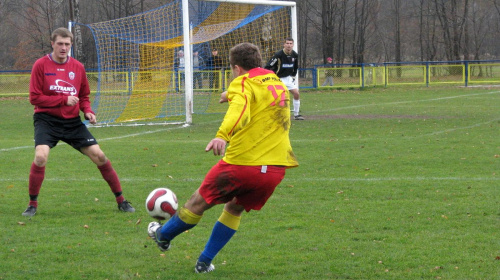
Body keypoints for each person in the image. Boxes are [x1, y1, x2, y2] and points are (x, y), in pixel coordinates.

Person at [147, 42, 298, 273]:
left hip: (242, 164)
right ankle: (204, 262)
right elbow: (258, 97)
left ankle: (162, 235)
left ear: (237, 68)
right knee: (234, 209)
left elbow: (240, 110)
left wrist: (222, 136)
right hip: (275, 168)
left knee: (197, 203)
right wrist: (229, 94)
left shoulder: (243, 82)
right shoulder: (274, 80)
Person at [22, 27, 135, 217]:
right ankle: (32, 204)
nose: (63, 48)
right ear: (52, 44)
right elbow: (34, 98)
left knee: (99, 155)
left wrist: (88, 111)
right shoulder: (40, 65)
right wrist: (62, 100)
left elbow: (84, 96)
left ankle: (121, 200)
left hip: (72, 122)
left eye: (67, 44)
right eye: (60, 44)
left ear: (71, 45)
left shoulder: (78, 67)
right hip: (46, 120)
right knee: (41, 157)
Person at [265, 37, 304, 120]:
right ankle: (274, 114)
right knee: (279, 97)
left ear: (293, 45)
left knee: (296, 94)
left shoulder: (295, 55)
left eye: (290, 43)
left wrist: (293, 76)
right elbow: (268, 66)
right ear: (284, 44)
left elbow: (296, 67)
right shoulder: (278, 55)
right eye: (287, 43)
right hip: (278, 79)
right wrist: (271, 76)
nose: (289, 45)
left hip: (288, 78)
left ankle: (296, 115)